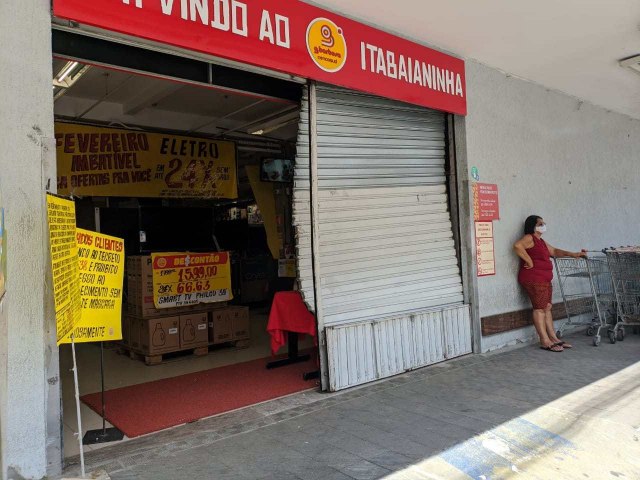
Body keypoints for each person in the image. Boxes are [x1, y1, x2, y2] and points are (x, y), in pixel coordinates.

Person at [513, 215, 586, 352]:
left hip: (544, 279)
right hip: (534, 279)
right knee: (539, 309)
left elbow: (555, 251)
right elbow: (517, 246)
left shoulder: (541, 241)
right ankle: (544, 340)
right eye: (540, 223)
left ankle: (553, 338)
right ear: (532, 226)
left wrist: (574, 254)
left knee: (547, 307)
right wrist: (528, 260)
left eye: (544, 223)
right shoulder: (529, 238)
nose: (543, 225)